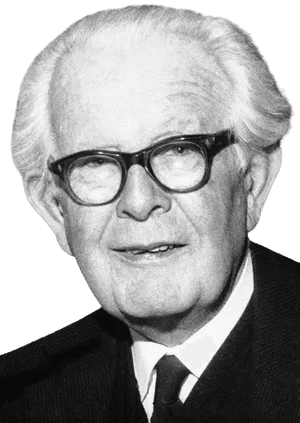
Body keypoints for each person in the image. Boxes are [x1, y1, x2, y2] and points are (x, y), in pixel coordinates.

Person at [2, 4, 299, 422]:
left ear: (254, 180)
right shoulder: (17, 398)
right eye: (95, 163)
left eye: (180, 150)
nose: (140, 202)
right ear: (54, 208)